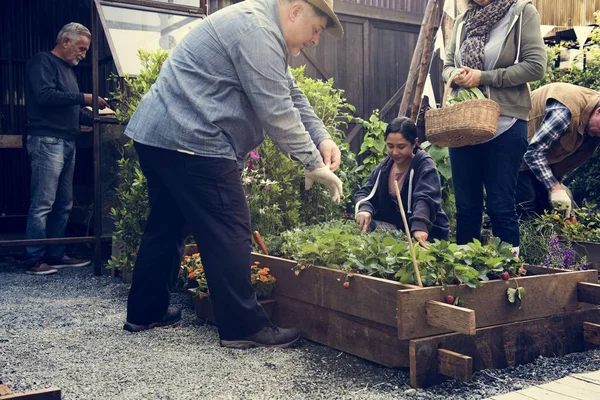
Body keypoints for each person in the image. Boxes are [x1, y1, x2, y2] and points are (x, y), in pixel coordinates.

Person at [122, 0, 344, 349]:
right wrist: (312, 163)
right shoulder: (257, 30)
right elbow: (276, 109)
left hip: (159, 136)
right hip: (194, 139)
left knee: (166, 224)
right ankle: (243, 327)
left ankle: (145, 311)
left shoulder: (261, 27)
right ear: (297, 10)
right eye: (316, 30)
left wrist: (322, 138)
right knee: (230, 228)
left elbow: (291, 92)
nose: (316, 40)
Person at [442, 0, 546, 253]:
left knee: (501, 206)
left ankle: (508, 279)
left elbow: (536, 66)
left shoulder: (521, 13)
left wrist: (484, 77)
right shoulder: (463, 21)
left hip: (506, 122)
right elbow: (446, 67)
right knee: (466, 208)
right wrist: (455, 75)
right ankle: (465, 280)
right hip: (465, 122)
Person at [24, 22, 109, 276]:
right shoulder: (42, 62)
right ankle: (34, 259)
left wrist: (97, 115)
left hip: (67, 142)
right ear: (65, 42)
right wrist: (83, 98)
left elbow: (71, 109)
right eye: (81, 48)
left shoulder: (69, 72)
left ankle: (56, 253)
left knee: (64, 204)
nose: (84, 54)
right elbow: (45, 96)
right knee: (43, 203)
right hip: (47, 140)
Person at [355, 117, 450, 246]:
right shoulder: (384, 168)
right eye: (390, 146)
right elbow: (367, 192)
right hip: (399, 230)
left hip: (428, 233)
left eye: (401, 147)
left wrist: (419, 226)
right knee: (364, 224)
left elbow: (425, 198)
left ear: (414, 143)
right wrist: (364, 209)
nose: (395, 152)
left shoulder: (424, 166)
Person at [516, 83, 600, 217]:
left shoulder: (592, 132)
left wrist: (559, 186)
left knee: (547, 209)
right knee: (526, 206)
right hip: (518, 153)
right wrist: (554, 187)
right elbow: (533, 153)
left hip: (540, 163)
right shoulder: (565, 112)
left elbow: (567, 160)